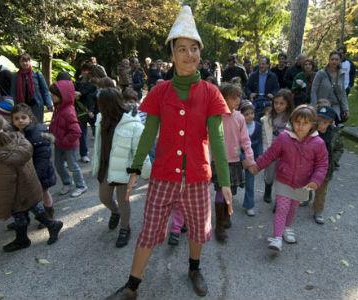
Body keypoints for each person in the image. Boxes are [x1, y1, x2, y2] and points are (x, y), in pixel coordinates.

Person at [106, 6, 232, 299]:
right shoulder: (160, 91)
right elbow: (149, 132)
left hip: (198, 177)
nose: (190, 55)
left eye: (194, 49)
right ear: (172, 56)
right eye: (182, 49)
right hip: (164, 175)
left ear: (200, 53)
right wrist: (136, 168)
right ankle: (132, 286)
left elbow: (218, 139)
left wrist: (224, 182)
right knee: (150, 229)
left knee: (199, 229)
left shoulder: (211, 93)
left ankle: (194, 268)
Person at [0, 112, 63, 252]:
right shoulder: (18, 138)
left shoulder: (1, 157)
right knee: (34, 207)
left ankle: (24, 238)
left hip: (17, 194)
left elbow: (6, 184)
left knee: (19, 214)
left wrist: (4, 206)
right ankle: (51, 225)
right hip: (29, 187)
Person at [250, 105, 328, 252]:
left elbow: (322, 164)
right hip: (284, 180)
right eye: (298, 122)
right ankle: (277, 237)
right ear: (292, 121)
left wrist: (315, 181)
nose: (300, 126)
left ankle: (287, 227)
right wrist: (257, 165)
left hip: (303, 183)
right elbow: (270, 154)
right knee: (282, 207)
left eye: (305, 123)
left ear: (312, 124)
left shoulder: (318, 143)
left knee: (293, 208)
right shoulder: (284, 137)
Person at [92, 88, 150, 248]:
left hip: (125, 169)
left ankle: (125, 228)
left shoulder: (132, 123)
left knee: (124, 200)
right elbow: (98, 144)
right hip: (106, 166)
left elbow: (141, 150)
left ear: (108, 104)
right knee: (104, 197)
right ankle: (115, 212)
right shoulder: (100, 119)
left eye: (100, 104)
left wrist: (144, 171)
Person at [213, 83, 255, 242]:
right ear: (223, 98)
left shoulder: (239, 118)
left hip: (235, 161)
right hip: (218, 161)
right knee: (219, 191)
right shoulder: (214, 116)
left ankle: (226, 215)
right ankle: (219, 226)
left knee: (231, 191)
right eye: (233, 97)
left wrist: (250, 159)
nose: (237, 100)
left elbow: (245, 140)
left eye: (239, 97)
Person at [11, 104, 57, 227]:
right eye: (16, 118)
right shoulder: (14, 134)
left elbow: (43, 157)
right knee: (25, 196)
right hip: (26, 172)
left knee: (44, 193)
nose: (20, 120)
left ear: (30, 119)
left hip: (40, 172)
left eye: (23, 117)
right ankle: (23, 219)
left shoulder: (36, 134)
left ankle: (49, 216)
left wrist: (37, 175)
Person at [49, 80, 87, 197]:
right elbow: (55, 124)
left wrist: (63, 141)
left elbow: (76, 132)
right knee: (58, 165)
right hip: (59, 144)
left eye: (54, 94)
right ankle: (67, 183)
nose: (51, 96)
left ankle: (81, 186)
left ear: (62, 96)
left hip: (68, 145)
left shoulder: (68, 111)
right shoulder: (59, 108)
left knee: (73, 166)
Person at [260, 89, 294, 205]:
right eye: (276, 103)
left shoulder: (292, 119)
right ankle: (267, 189)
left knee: (282, 178)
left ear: (288, 104)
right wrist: (265, 151)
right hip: (271, 150)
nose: (278, 106)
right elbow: (264, 136)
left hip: (285, 153)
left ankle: (279, 200)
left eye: (282, 103)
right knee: (269, 174)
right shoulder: (268, 118)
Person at [313, 105, 344, 224]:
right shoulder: (310, 131)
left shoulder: (334, 135)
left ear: (331, 122)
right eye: (318, 121)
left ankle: (318, 210)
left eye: (324, 122)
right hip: (310, 165)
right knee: (306, 185)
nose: (320, 124)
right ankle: (305, 199)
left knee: (321, 190)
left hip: (325, 168)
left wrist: (334, 161)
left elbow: (339, 149)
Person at [11, 54, 53, 123]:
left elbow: (45, 90)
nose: (25, 63)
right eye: (22, 61)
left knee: (37, 124)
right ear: (19, 62)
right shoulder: (15, 76)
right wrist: (15, 106)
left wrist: (49, 103)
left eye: (27, 61)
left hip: (37, 104)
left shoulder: (37, 74)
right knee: (24, 125)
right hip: (22, 106)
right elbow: (13, 92)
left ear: (30, 62)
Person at [311, 51, 349, 124]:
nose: (334, 61)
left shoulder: (341, 74)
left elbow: (343, 93)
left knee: (333, 125)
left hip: (335, 106)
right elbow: (314, 90)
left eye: (336, 59)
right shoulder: (321, 73)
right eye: (332, 59)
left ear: (340, 61)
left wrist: (346, 109)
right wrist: (314, 106)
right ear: (329, 60)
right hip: (321, 105)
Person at [240, 101, 262, 216]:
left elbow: (259, 143)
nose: (250, 116)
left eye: (252, 113)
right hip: (239, 157)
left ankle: (249, 205)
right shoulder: (238, 126)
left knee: (250, 183)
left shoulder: (258, 126)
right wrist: (241, 157)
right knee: (234, 181)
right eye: (246, 114)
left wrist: (258, 158)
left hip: (252, 159)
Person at [245, 56, 280, 121]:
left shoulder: (273, 76)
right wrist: (250, 94)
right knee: (253, 115)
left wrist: (273, 94)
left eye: (263, 64)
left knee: (267, 117)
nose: (261, 66)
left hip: (267, 99)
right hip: (256, 99)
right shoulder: (253, 75)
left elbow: (276, 88)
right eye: (260, 64)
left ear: (268, 65)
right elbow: (247, 87)